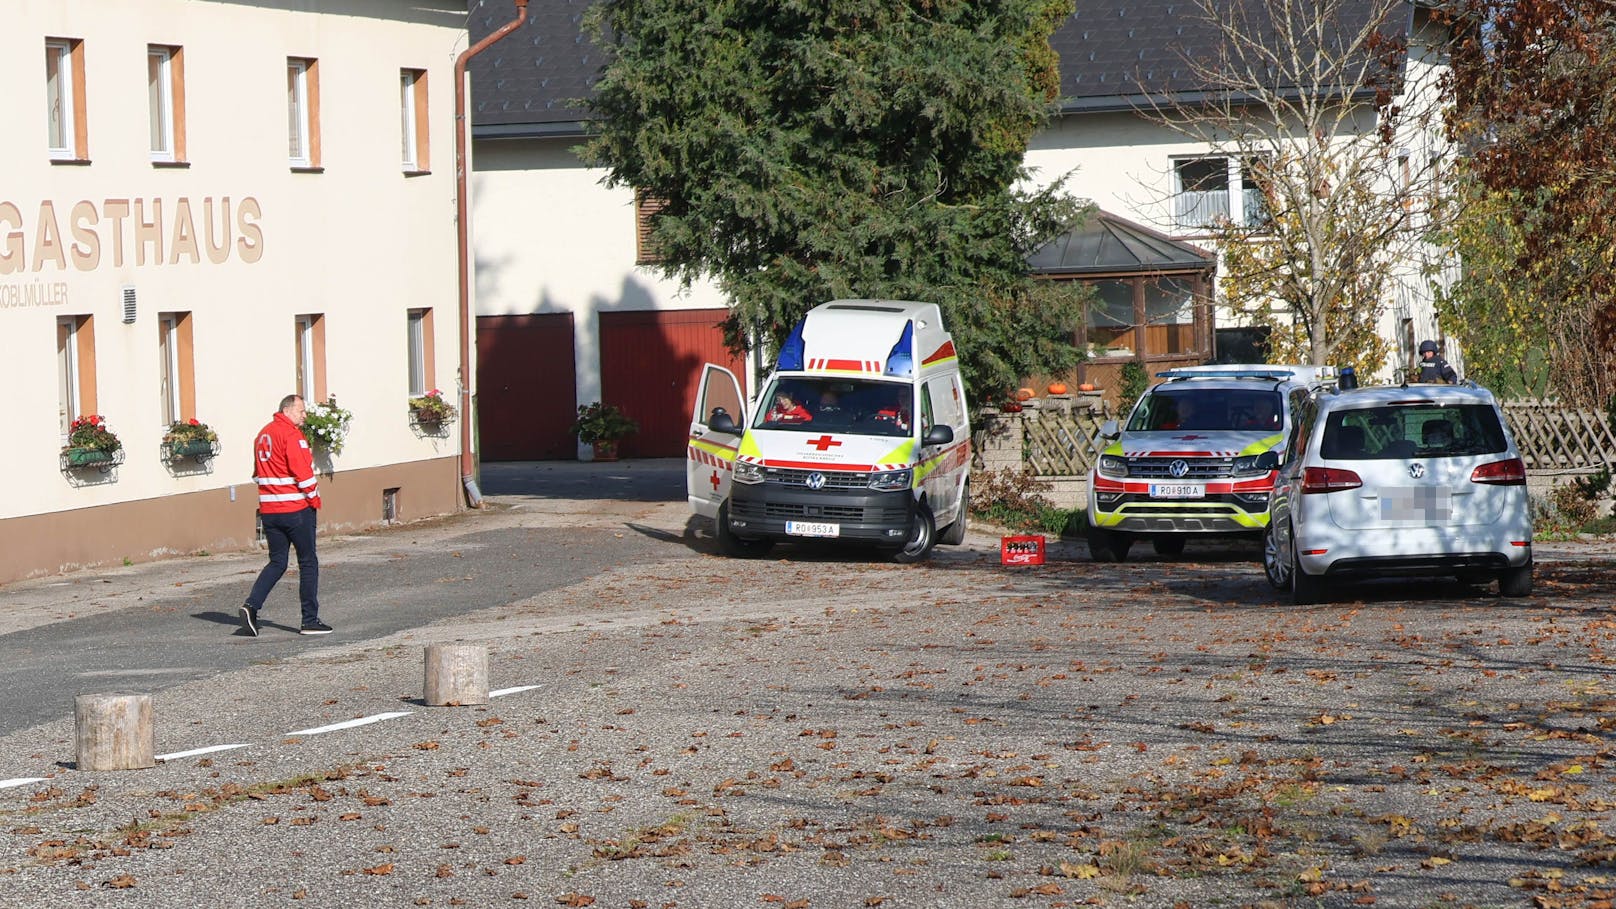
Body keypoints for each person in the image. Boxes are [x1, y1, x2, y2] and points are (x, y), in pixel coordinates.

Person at [240, 394, 331, 636]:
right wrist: (314, 501)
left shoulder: (262, 435)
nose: (304, 415)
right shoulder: (292, 435)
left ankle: (251, 606)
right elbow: (304, 474)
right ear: (288, 410)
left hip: (270, 511)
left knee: (278, 562)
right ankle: (309, 620)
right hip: (296, 510)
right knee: (308, 562)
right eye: (301, 410)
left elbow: (257, 475)